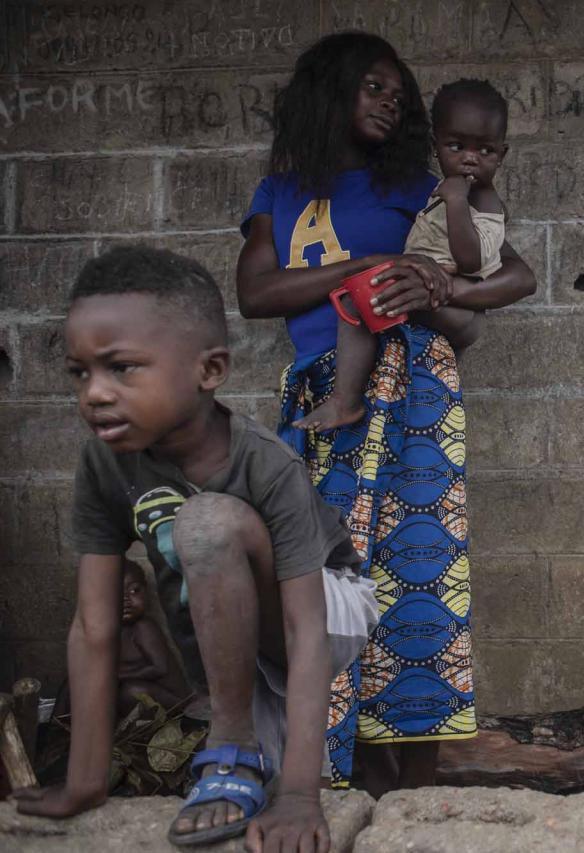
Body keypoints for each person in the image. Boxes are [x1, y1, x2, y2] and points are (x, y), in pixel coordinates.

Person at [236, 32, 537, 794]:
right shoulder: (281, 190)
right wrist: (365, 267)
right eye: (374, 87)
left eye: (397, 96)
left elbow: (506, 279)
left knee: (419, 587)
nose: (389, 102)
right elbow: (254, 294)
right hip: (318, 396)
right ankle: (355, 774)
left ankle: (419, 791)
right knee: (331, 586)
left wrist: (437, 290)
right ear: (330, 89)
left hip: (413, 397)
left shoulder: (411, 184)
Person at [13, 246, 379, 851]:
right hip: (221, 623)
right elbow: (94, 626)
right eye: (80, 373)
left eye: (122, 368)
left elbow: (306, 631)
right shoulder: (104, 464)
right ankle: (237, 756)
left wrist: (299, 795)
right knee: (243, 810)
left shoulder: (265, 461)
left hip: (326, 607)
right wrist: (83, 782)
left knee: (206, 523)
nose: (95, 394)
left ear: (209, 371)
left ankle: (231, 749)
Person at [297, 78, 510, 432]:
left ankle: (343, 402)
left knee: (358, 301)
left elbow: (471, 261)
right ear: (436, 146)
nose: (470, 159)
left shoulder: (481, 199)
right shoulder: (440, 190)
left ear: (502, 155)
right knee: (363, 307)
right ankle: (357, 403)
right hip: (432, 295)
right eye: (456, 146)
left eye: (485, 151)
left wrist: (456, 202)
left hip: (454, 303)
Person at [116, 559, 188, 717]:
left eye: (134, 591)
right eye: (115, 592)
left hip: (175, 703)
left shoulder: (144, 627)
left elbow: (159, 668)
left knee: (132, 692)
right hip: (147, 698)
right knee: (74, 682)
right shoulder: (109, 631)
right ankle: (56, 729)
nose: (126, 600)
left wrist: (116, 675)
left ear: (146, 591)